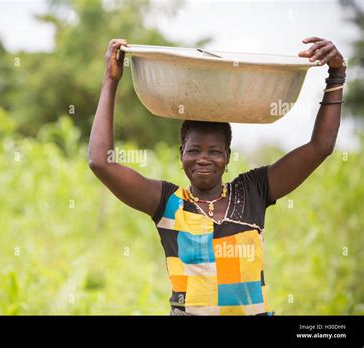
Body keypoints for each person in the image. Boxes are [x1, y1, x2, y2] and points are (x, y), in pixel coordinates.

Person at [88, 37, 346, 315]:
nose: (203, 158)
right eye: (194, 150)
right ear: (181, 154)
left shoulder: (253, 191)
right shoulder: (168, 203)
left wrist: (337, 74)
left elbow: (320, 147)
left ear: (227, 156)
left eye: (214, 151)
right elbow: (100, 162)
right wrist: (111, 80)